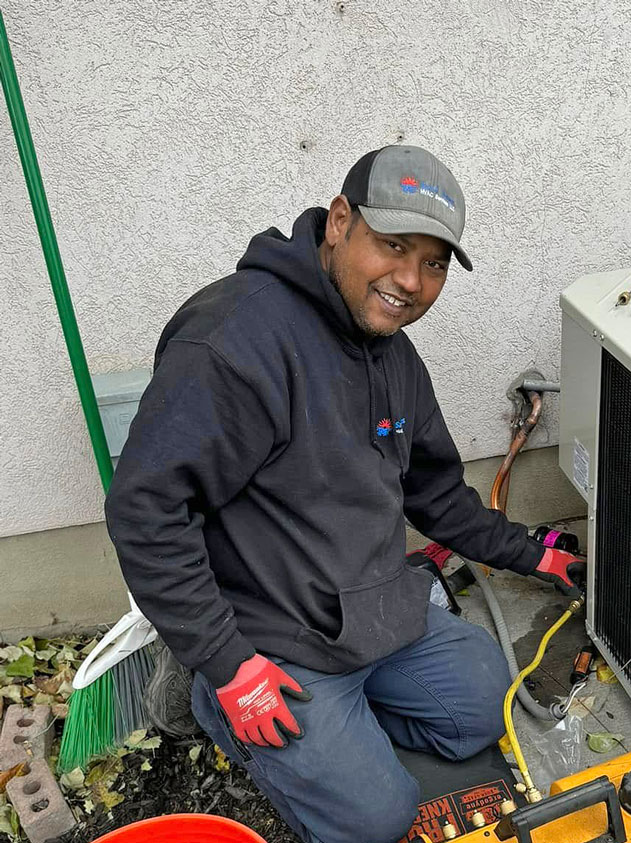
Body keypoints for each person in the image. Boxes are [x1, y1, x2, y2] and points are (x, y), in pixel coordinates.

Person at [104, 145, 585, 843]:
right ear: (338, 223)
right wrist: (229, 662)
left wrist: (532, 556)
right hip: (276, 635)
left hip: (376, 611)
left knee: (487, 701)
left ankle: (341, 730)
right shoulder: (235, 343)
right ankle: (213, 698)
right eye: (392, 246)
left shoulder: (391, 353)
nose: (410, 280)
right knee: (375, 818)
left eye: (434, 262)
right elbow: (144, 511)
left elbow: (435, 493)